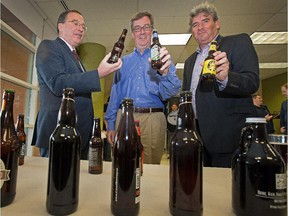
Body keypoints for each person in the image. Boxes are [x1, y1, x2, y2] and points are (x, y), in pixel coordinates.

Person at [35, 10, 122, 159]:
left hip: (78, 132)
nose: (81, 28)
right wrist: (98, 73)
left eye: (83, 26)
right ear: (60, 27)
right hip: (58, 132)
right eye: (75, 23)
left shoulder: (75, 57)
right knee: (58, 180)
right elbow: (58, 83)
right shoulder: (49, 46)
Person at [182, 2, 259, 167]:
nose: (200, 27)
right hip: (198, 137)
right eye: (195, 24)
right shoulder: (189, 62)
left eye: (205, 21)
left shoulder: (238, 42)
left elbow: (252, 82)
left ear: (217, 23)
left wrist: (226, 78)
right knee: (206, 188)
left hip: (229, 136)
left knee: (230, 189)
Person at [105, 12, 182, 164]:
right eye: (137, 28)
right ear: (132, 34)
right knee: (123, 165)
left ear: (152, 31)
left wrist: (164, 74)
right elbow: (115, 95)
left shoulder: (162, 58)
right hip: (125, 118)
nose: (141, 32)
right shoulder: (122, 62)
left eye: (146, 27)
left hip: (153, 120)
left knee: (151, 167)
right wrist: (111, 125)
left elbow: (172, 91)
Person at [103, 96, 112, 161]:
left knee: (108, 143)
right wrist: (107, 126)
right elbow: (104, 116)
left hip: (109, 127)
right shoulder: (107, 106)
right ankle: (107, 158)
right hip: (108, 127)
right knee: (108, 143)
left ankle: (107, 157)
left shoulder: (106, 105)